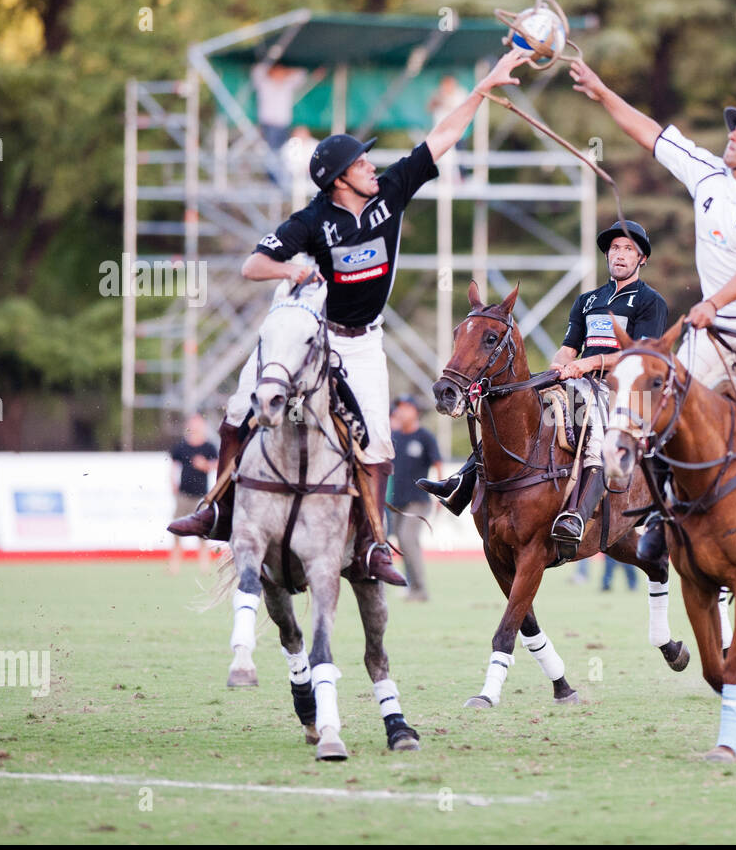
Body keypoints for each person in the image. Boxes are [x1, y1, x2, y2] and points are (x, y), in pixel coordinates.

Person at [167, 48, 533, 586]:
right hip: (313, 335)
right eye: (361, 163)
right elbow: (252, 265)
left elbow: (443, 137)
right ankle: (218, 510)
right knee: (240, 405)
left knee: (378, 441)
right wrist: (290, 271)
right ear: (340, 179)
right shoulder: (312, 219)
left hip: (363, 343)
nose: (371, 166)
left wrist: (483, 88)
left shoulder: (391, 192)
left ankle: (374, 543)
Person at [569, 57, 736, 560]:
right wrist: (600, 90)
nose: (732, 136)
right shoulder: (707, 173)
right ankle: (661, 513)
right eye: (735, 129)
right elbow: (649, 134)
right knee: (655, 401)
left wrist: (713, 302)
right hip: (712, 327)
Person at [417, 219, 668, 550]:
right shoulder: (587, 300)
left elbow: (639, 357)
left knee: (591, 424)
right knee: (516, 409)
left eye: (628, 250)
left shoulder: (651, 301)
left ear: (641, 258)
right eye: (615, 248)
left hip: (622, 391)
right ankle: (462, 481)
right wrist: (557, 367)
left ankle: (577, 515)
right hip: (580, 383)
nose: (619, 255)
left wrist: (588, 364)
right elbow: (568, 348)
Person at [388, 395, 442, 601]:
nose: (400, 412)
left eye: (405, 408)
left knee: (408, 538)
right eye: (399, 408)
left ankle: (420, 589)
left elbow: (438, 464)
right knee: (402, 541)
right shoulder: (395, 437)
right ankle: (411, 586)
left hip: (418, 500)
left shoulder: (425, 437)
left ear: (415, 411)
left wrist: (441, 494)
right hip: (397, 501)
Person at [168, 414, 218, 575]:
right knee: (177, 531)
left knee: (203, 533)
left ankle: (204, 567)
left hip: (201, 497)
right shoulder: (181, 447)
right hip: (183, 495)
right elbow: (173, 466)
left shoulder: (209, 447)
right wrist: (173, 484)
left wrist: (205, 465)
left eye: (198, 424)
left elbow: (217, 465)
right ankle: (174, 566)